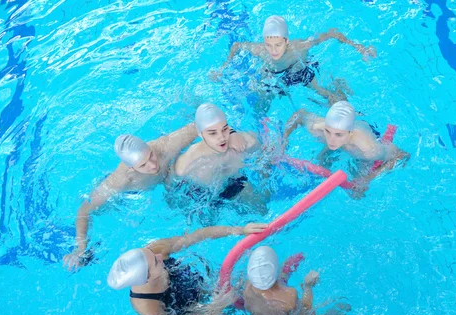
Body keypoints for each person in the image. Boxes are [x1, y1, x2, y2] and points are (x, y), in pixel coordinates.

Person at [63, 124, 247, 270]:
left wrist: (232, 133)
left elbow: (201, 125)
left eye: (151, 156)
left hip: (172, 182)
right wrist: (80, 247)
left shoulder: (163, 146)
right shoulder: (121, 180)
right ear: (131, 168)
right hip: (131, 197)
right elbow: (85, 209)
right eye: (144, 165)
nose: (153, 165)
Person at [107, 222, 267, 315]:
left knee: (247, 282)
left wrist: (239, 230)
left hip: (198, 285)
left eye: (150, 253)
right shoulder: (147, 306)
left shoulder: (154, 250)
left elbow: (198, 236)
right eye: (155, 261)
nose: (158, 255)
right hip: (190, 311)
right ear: (146, 279)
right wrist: (216, 307)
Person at [212, 15, 376, 108]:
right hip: (273, 76)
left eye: (278, 45)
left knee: (328, 96)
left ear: (287, 41)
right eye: (269, 45)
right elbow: (236, 46)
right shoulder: (261, 50)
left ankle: (345, 95)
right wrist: (222, 68)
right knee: (260, 105)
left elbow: (332, 33)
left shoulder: (300, 47)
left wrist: (360, 48)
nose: (273, 50)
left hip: (299, 70)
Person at [282, 101, 410, 197]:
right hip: (346, 131)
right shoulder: (318, 128)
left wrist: (367, 178)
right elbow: (299, 115)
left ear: (350, 133)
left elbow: (402, 155)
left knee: (356, 194)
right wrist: (284, 140)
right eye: (328, 131)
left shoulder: (368, 149)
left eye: (338, 134)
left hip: (365, 134)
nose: (331, 139)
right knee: (321, 160)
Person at [242, 246, 349, 315]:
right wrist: (308, 287)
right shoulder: (289, 296)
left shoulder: (246, 288)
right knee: (342, 307)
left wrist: (285, 272)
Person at [172, 103, 265, 208]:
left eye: (225, 129)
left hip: (235, 183)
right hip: (203, 197)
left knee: (260, 206)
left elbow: (265, 163)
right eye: (212, 133)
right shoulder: (185, 166)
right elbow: (173, 196)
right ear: (200, 134)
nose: (221, 138)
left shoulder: (247, 143)